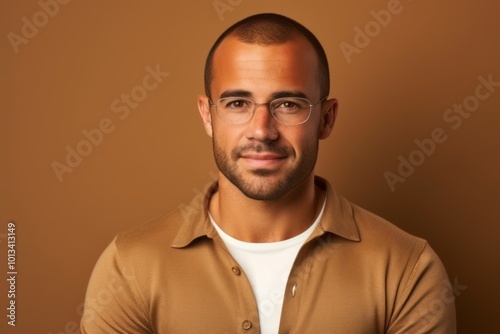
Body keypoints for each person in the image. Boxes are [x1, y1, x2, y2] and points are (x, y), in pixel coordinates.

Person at [80, 13, 456, 333]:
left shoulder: (408, 269)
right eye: (237, 103)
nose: (261, 130)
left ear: (326, 119)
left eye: (288, 104)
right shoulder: (129, 267)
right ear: (207, 115)